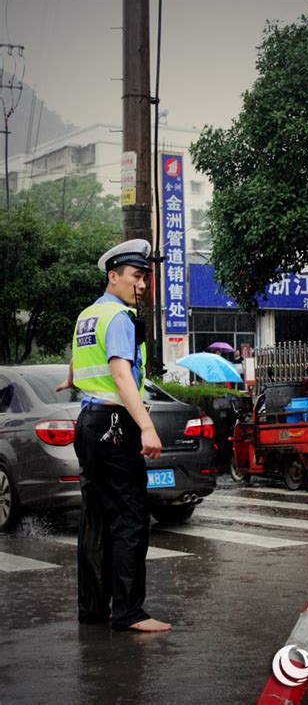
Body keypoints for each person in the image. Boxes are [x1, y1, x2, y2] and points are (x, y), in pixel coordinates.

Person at [56, 239, 171, 633]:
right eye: (137, 277)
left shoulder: (88, 315)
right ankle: (129, 612)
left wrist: (71, 377)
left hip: (88, 422)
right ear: (114, 276)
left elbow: (81, 357)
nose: (142, 285)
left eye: (145, 279)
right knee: (130, 517)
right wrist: (147, 426)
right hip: (116, 425)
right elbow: (122, 374)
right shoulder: (120, 316)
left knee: (96, 519)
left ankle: (93, 608)